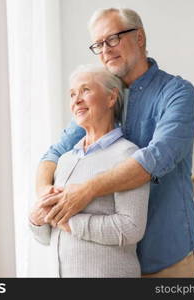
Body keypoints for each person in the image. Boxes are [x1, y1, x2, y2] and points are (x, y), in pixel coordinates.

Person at [37, 8, 194, 277]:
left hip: (166, 251)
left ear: (139, 37)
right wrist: (46, 198)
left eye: (112, 39)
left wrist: (86, 191)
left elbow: (154, 159)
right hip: (113, 259)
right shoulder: (102, 99)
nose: (105, 51)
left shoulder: (177, 93)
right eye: (98, 44)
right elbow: (53, 155)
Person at [29, 65, 150, 277]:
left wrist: (70, 222)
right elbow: (47, 237)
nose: (76, 100)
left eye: (85, 90)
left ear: (111, 98)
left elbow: (131, 227)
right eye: (72, 94)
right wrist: (36, 220)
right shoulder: (65, 160)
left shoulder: (127, 155)